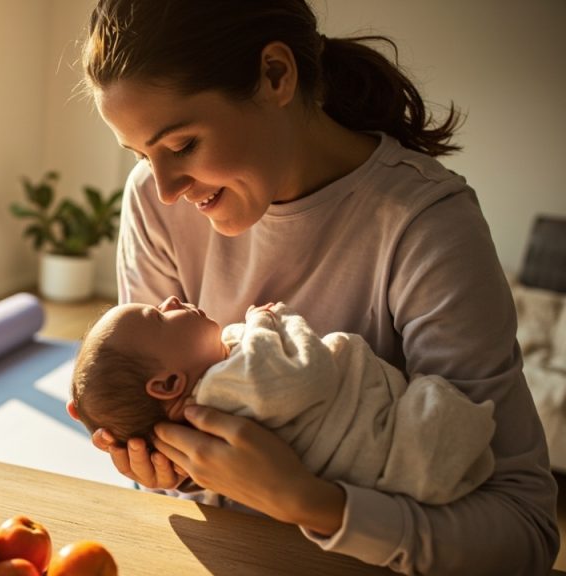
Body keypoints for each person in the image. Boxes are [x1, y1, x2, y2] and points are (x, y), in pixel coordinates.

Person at [76, 0, 559, 573]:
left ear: (276, 75)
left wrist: (310, 503)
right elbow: (168, 446)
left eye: (182, 146)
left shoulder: (424, 225)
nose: (164, 188)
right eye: (141, 155)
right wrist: (164, 468)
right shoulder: (154, 204)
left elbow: (523, 532)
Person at [69, 297, 496, 505]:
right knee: (432, 404)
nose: (172, 300)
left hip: (388, 448)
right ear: (167, 385)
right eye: (159, 316)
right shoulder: (225, 386)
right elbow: (306, 376)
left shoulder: (209, 401)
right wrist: (266, 321)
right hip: (407, 444)